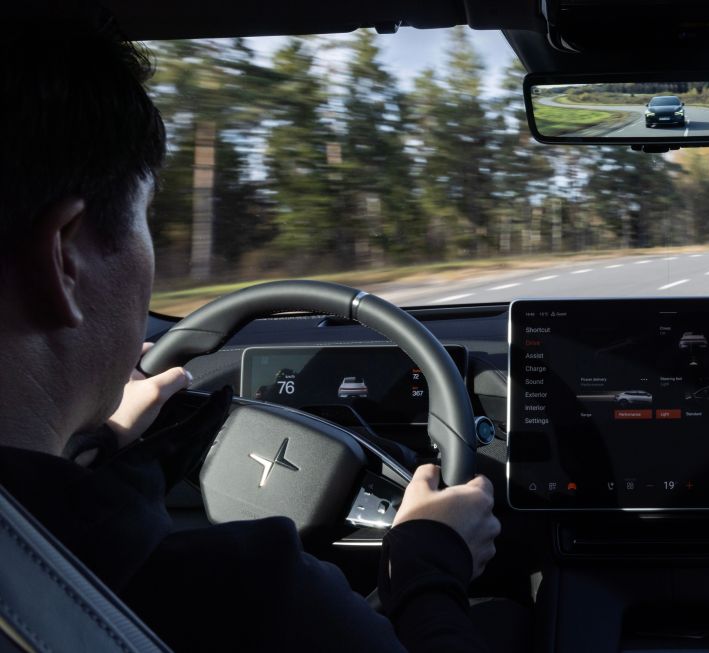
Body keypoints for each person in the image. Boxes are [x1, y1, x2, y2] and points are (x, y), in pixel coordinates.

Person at [0, 20, 501, 653]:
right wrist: (427, 565)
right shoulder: (257, 600)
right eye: (144, 218)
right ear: (65, 259)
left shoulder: (50, 542)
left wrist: (99, 446)